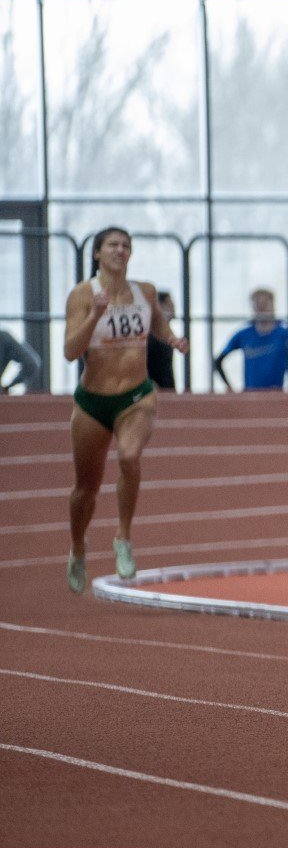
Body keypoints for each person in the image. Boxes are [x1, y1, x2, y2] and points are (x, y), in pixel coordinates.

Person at [62, 227, 190, 593]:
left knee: (130, 456)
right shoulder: (82, 296)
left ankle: (123, 536)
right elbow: (70, 351)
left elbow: (159, 321)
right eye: (113, 245)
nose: (121, 251)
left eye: (126, 246)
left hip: (137, 395)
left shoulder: (144, 291)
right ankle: (77, 546)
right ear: (97, 253)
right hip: (92, 402)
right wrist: (94, 316)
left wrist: (172, 338)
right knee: (85, 490)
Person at [213, 288, 288, 392]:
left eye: (265, 304)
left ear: (273, 306)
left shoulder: (285, 334)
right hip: (250, 397)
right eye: (257, 305)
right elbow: (218, 362)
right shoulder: (243, 334)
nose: (261, 309)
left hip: (275, 397)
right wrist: (229, 388)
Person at [147, 291, 177, 391]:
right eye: (170, 304)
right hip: (157, 392)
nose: (174, 308)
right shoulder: (152, 335)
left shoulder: (168, 336)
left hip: (167, 390)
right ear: (160, 306)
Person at [1, 327, 44, 394]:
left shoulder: (3, 338)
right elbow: (31, 364)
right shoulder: (3, 338)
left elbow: (31, 364)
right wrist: (8, 387)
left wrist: (8, 387)